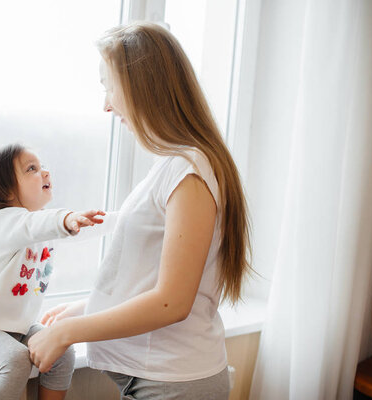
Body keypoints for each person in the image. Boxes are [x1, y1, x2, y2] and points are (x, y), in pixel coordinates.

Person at [27, 22, 252, 400]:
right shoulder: (174, 165)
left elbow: (172, 302)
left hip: (174, 385)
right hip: (162, 381)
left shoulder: (190, 171)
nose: (106, 104)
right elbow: (152, 277)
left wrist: (68, 332)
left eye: (108, 86)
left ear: (141, 86)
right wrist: (86, 308)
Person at [0, 143, 106, 400]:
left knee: (62, 350)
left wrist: (116, 222)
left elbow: (49, 226)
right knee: (15, 360)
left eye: (43, 166)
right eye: (32, 169)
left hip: (19, 329)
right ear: (6, 191)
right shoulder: (6, 221)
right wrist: (68, 218)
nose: (45, 172)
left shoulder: (40, 225)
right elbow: (39, 224)